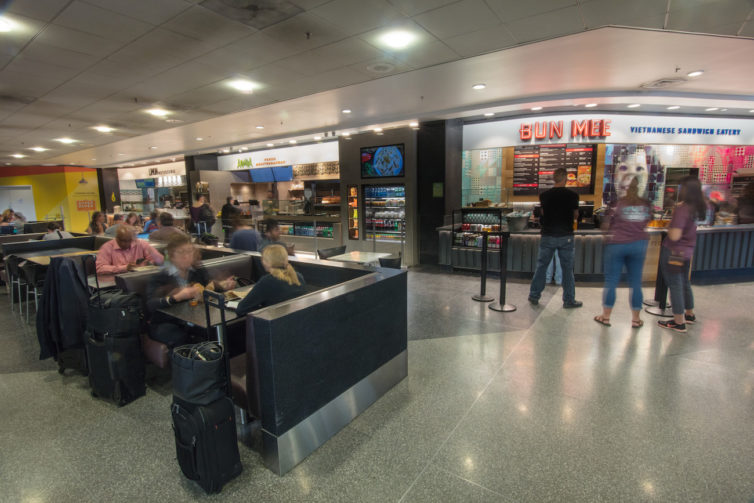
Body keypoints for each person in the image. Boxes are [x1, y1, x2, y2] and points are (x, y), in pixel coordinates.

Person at [145, 233, 235, 347]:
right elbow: (150, 305)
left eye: (189, 251)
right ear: (172, 256)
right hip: (165, 322)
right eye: (181, 252)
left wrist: (222, 286)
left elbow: (208, 287)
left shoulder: (197, 271)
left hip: (193, 320)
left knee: (222, 331)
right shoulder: (161, 276)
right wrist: (176, 297)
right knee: (180, 337)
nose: (186, 256)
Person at [594, 176, 651, 328]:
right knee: (636, 283)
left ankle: (606, 317)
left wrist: (606, 237)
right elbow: (648, 221)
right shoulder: (645, 204)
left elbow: (605, 225)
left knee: (611, 281)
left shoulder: (616, 204)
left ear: (623, 188)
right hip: (639, 244)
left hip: (617, 245)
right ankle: (636, 319)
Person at [657, 176, 706, 333]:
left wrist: (669, 227)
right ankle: (689, 313)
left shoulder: (682, 209)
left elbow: (674, 236)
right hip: (687, 252)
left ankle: (678, 321)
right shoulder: (698, 208)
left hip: (674, 252)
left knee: (675, 284)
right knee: (684, 281)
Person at [528, 167, 582, 308]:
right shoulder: (573, 196)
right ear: (565, 178)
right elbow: (576, 215)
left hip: (548, 235)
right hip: (566, 236)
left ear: (554, 178)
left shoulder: (544, 195)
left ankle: (534, 296)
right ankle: (569, 300)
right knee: (567, 269)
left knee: (541, 267)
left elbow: (543, 213)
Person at [236, 244, 306, 316]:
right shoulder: (298, 276)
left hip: (275, 324)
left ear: (267, 262)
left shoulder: (267, 281)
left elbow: (241, 309)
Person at [95, 226, 164, 275]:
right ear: (116, 237)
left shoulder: (141, 244)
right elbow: (100, 268)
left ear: (134, 239)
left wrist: (149, 263)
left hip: (139, 279)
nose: (124, 243)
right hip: (116, 283)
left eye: (128, 241)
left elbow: (160, 260)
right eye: (121, 240)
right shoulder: (107, 247)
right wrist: (125, 268)